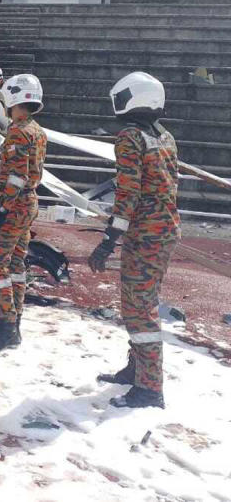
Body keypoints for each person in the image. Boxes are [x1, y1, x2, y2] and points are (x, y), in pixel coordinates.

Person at [88, 72, 179, 409]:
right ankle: (137, 369)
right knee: (142, 301)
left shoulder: (129, 136)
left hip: (145, 233)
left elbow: (128, 192)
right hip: (165, 230)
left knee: (138, 310)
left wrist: (109, 239)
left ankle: (149, 388)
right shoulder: (164, 136)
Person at [0, 74, 46, 351]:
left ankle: (7, 324)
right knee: (16, 265)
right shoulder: (37, 130)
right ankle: (13, 321)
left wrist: (4, 208)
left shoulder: (18, 131)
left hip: (16, 204)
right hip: (29, 203)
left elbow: (17, 176)